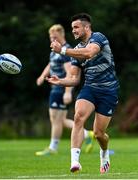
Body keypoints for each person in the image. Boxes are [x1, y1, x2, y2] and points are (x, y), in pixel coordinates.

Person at [47, 13, 119, 173]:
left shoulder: (98, 38)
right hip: (90, 88)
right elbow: (74, 78)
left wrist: (63, 50)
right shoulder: (76, 50)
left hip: (109, 90)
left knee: (99, 134)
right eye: (72, 28)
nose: (73, 31)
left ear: (87, 27)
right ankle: (75, 162)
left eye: (76, 27)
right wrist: (60, 81)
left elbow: (89, 53)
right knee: (78, 117)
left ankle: (104, 152)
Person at [35, 24, 94, 156]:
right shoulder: (54, 50)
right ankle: (87, 134)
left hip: (61, 88)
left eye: (55, 36)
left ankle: (53, 147)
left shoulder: (65, 51)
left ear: (62, 35)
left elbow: (70, 73)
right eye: (51, 37)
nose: (52, 39)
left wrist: (67, 92)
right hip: (55, 88)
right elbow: (51, 64)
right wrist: (42, 75)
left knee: (56, 119)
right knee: (58, 120)